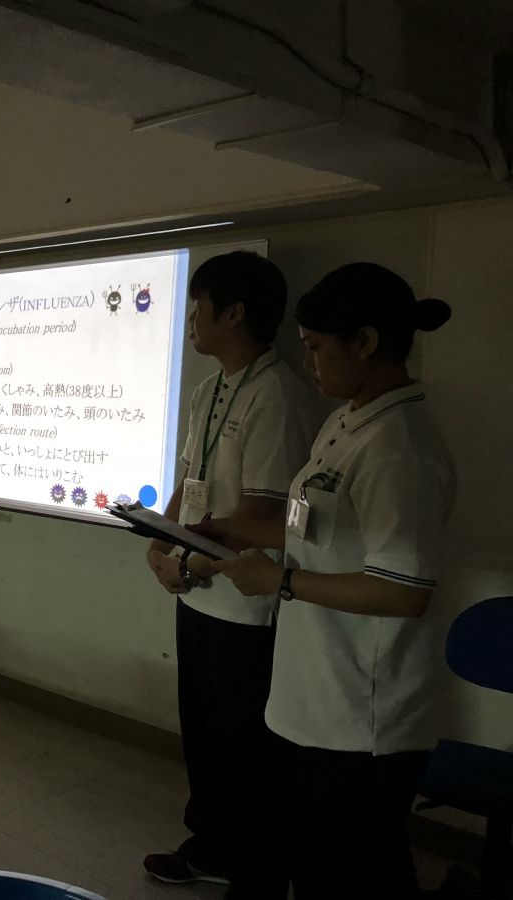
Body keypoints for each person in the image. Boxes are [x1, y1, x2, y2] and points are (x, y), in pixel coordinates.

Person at [194, 262, 456, 899]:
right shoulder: (347, 421)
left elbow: (405, 592)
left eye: (315, 347)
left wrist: (280, 583)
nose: (308, 363)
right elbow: (315, 530)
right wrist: (236, 531)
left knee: (350, 874)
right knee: (311, 866)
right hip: (311, 695)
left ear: (364, 343)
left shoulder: (399, 447)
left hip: (362, 716)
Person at [142, 251, 319, 897]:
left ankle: (252, 865)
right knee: (204, 735)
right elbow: (188, 481)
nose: (191, 320)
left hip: (245, 604)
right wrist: (158, 544)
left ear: (235, 313)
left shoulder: (278, 395)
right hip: (196, 590)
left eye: (199, 308)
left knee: (244, 744)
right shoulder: (208, 388)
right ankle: (210, 845)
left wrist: (187, 558)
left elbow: (261, 515)